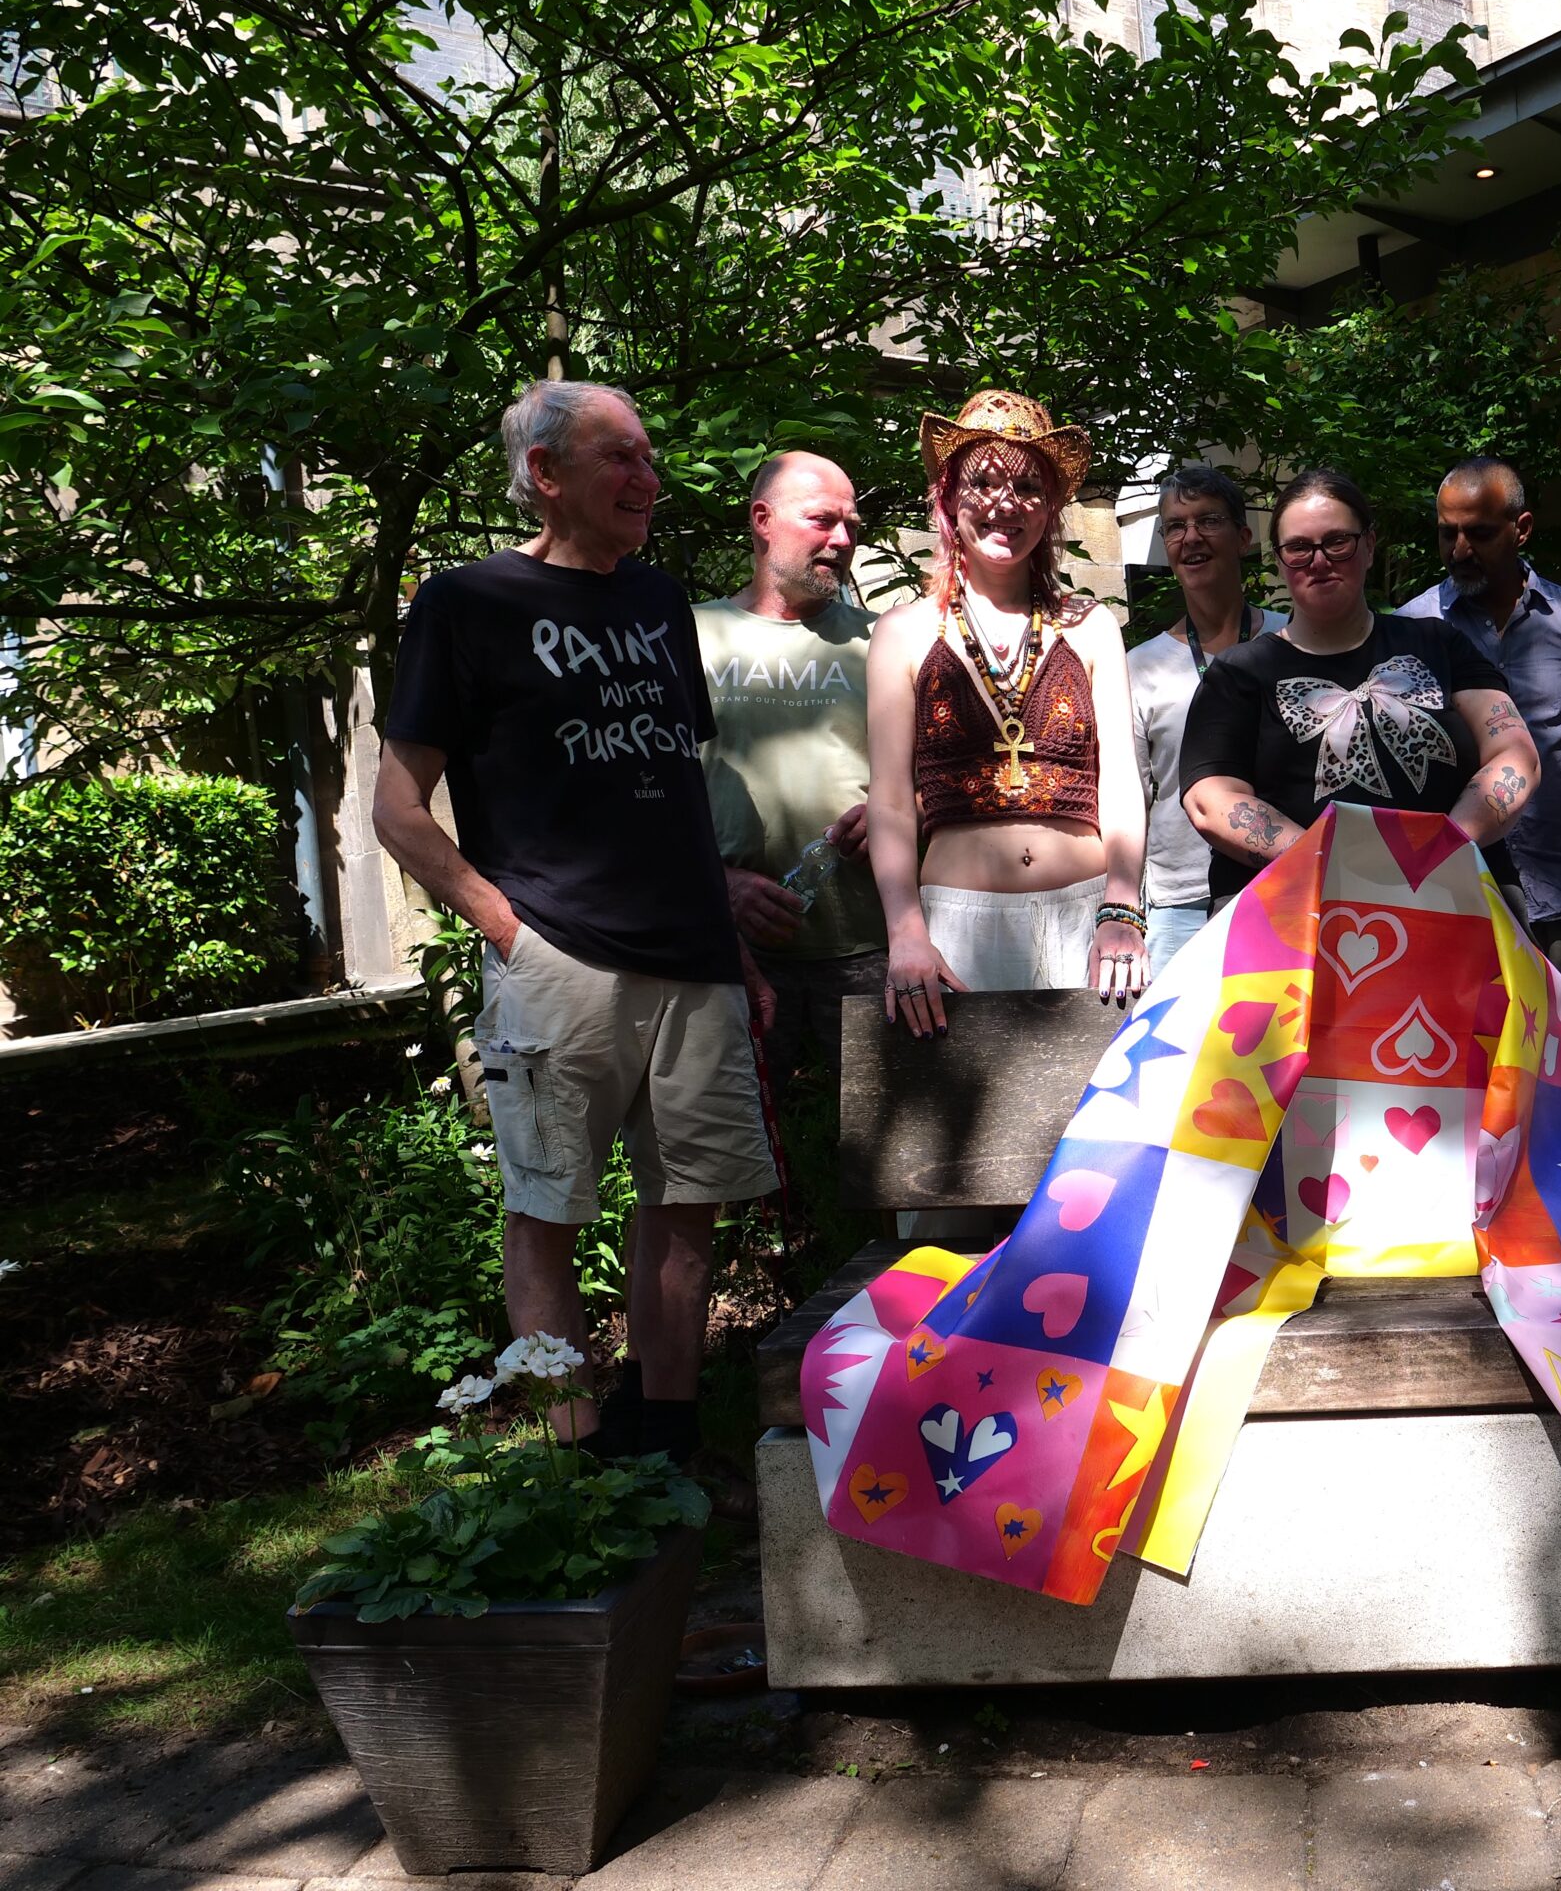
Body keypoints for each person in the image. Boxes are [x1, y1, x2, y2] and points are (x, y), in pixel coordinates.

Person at [374, 378, 776, 1463]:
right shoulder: (466, 604)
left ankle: (664, 1440)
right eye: (620, 458)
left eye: (649, 456)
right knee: (549, 1207)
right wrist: (509, 929)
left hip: (692, 958)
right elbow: (397, 811)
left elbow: (676, 790)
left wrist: (731, 943)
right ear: (545, 473)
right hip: (558, 955)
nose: (649, 478)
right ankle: (576, 1456)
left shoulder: (657, 601)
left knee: (689, 1203)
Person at [866, 390, 1149, 1037]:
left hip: (1090, 924)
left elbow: (1120, 781)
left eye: (1027, 486)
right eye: (984, 482)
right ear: (948, 498)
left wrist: (1122, 908)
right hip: (955, 928)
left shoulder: (1092, 626)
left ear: (1050, 508)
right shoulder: (902, 632)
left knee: (1095, 1097)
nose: (1005, 502)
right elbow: (890, 801)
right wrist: (905, 931)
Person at [1180, 467, 1540, 903]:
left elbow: (1514, 753)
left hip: (1455, 898)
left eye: (1337, 542)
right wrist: (1327, 864)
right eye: (1298, 548)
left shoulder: (1438, 643)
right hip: (1295, 913)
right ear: (1278, 560)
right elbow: (1210, 799)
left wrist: (1446, 847)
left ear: (1369, 546)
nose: (1318, 561)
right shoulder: (1239, 673)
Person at [694, 452, 885, 1080]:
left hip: (869, 945)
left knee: (878, 1137)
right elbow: (645, 793)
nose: (843, 540)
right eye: (823, 520)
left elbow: (941, 771)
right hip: (731, 946)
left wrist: (899, 811)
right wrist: (716, 885)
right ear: (762, 520)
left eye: (852, 525)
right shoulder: (688, 636)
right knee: (743, 1133)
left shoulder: (885, 640)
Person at [1398, 456, 1561, 965]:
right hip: (1456, 899)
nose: (1459, 550)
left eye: (1479, 533)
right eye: (1447, 533)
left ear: (1522, 529)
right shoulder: (1412, 629)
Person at [1125, 464, 1286, 971]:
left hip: (1291, 882)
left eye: (1208, 520)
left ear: (1243, 537)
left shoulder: (1294, 641)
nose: (1191, 537)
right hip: (1181, 903)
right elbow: (1130, 799)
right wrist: (1125, 911)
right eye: (1175, 526)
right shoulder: (1139, 667)